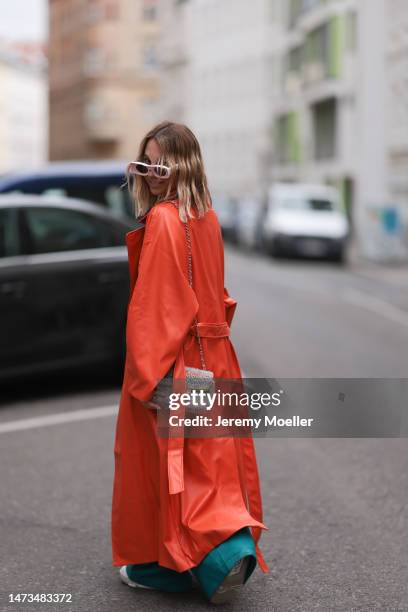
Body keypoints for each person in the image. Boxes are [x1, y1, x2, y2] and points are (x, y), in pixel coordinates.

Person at [111, 121, 269, 604]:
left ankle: (188, 563)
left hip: (179, 363)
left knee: (167, 464)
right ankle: (227, 549)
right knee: (211, 464)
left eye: (161, 165)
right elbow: (219, 299)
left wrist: (145, 381)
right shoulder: (207, 217)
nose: (152, 175)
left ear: (183, 165)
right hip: (216, 359)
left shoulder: (162, 220)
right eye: (145, 164)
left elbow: (157, 313)